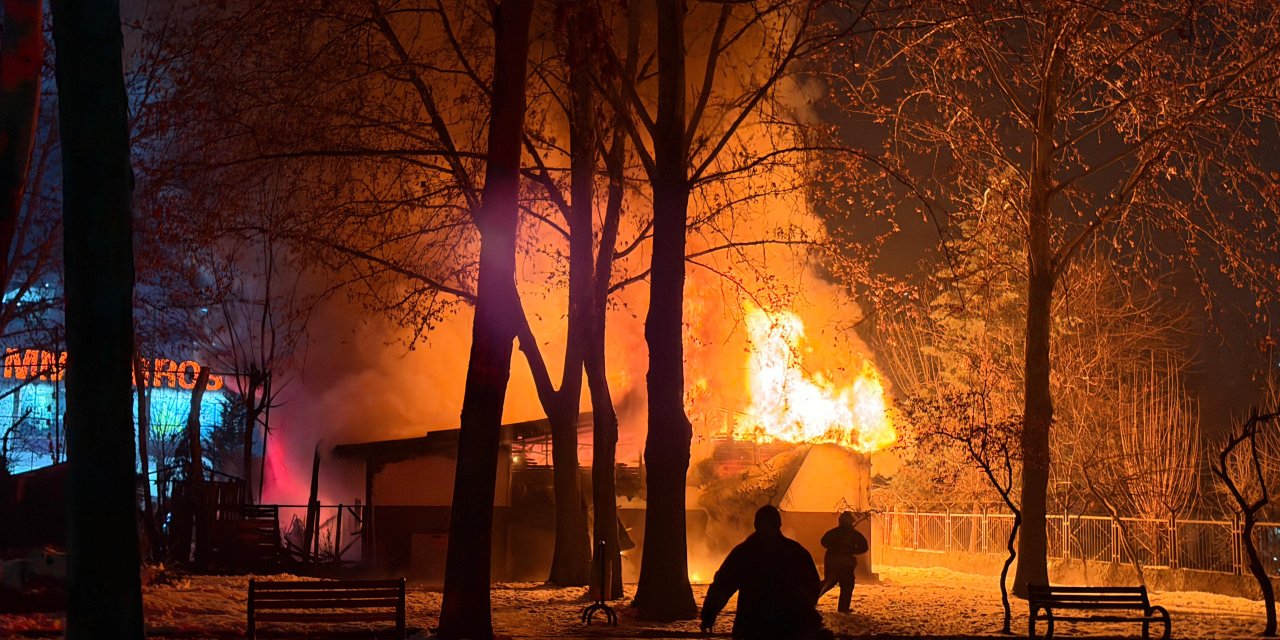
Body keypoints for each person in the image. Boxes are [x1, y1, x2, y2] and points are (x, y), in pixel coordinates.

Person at [700, 505, 832, 640]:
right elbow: (812, 587)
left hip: (752, 626)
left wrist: (709, 615)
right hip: (789, 626)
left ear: (756, 524)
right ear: (778, 524)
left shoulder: (745, 553)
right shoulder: (795, 552)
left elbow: (723, 586)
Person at [819, 511, 869, 613]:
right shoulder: (854, 535)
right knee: (847, 584)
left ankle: (811, 600)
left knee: (829, 582)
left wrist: (834, 549)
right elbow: (864, 547)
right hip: (845, 562)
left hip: (833, 561)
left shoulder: (833, 533)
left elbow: (824, 542)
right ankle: (843, 608)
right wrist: (851, 551)